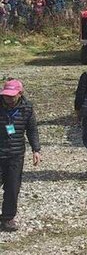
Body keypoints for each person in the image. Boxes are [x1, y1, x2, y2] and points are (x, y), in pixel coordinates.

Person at [0, 80, 41, 231]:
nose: (8, 99)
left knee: (12, 188)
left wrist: (36, 149)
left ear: (20, 94)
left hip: (16, 154)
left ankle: (8, 218)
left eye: (12, 96)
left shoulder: (27, 108)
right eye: (6, 96)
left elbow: (32, 129)